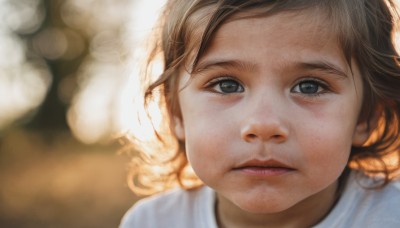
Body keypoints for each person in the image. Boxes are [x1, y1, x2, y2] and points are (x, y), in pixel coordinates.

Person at [120, 0, 400, 227]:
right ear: (175, 114)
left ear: (367, 116)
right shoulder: (151, 222)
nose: (264, 124)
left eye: (310, 86)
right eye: (226, 85)